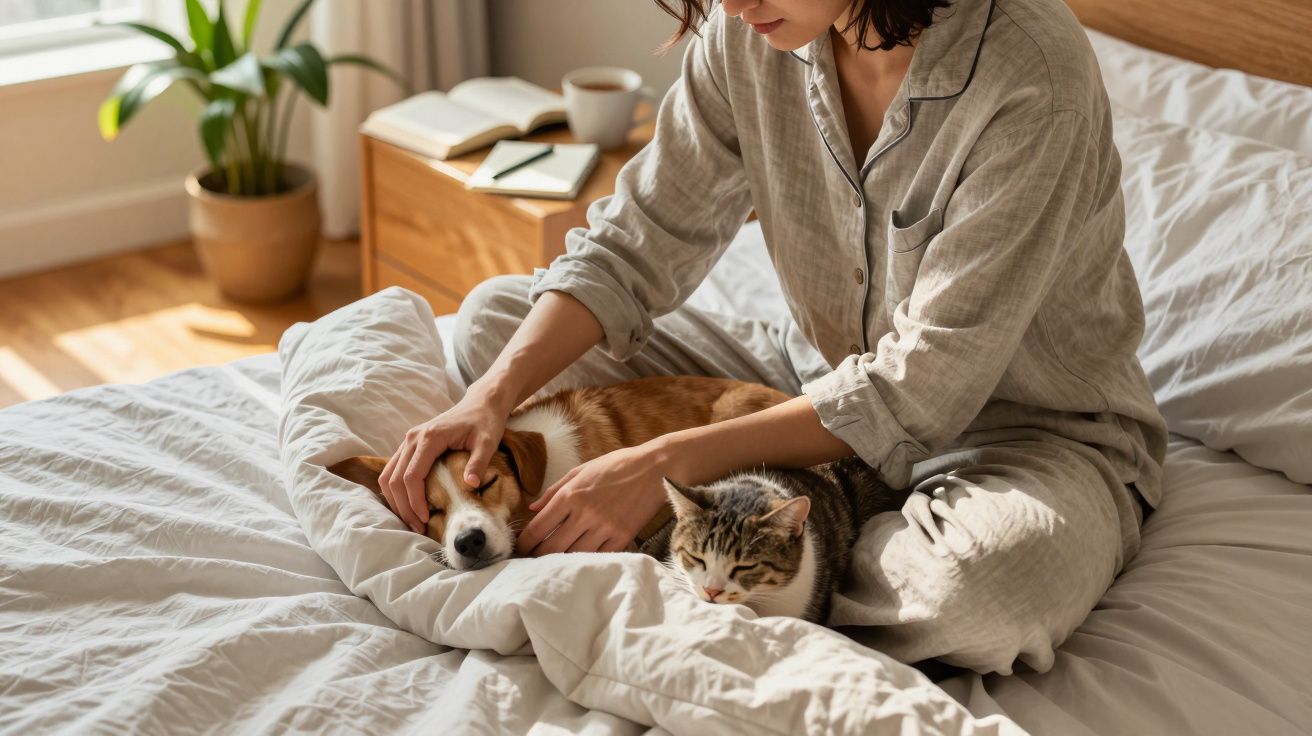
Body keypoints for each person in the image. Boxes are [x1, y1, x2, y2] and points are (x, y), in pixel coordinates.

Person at [378, 0, 1168, 676]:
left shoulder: (1032, 73)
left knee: (977, 596)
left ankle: (740, 552)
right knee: (495, 326)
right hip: (809, 374)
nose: (733, 2)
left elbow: (923, 384)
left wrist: (658, 465)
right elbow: (633, 244)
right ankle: (748, 535)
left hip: (1023, 439)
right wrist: (490, 399)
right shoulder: (750, 31)